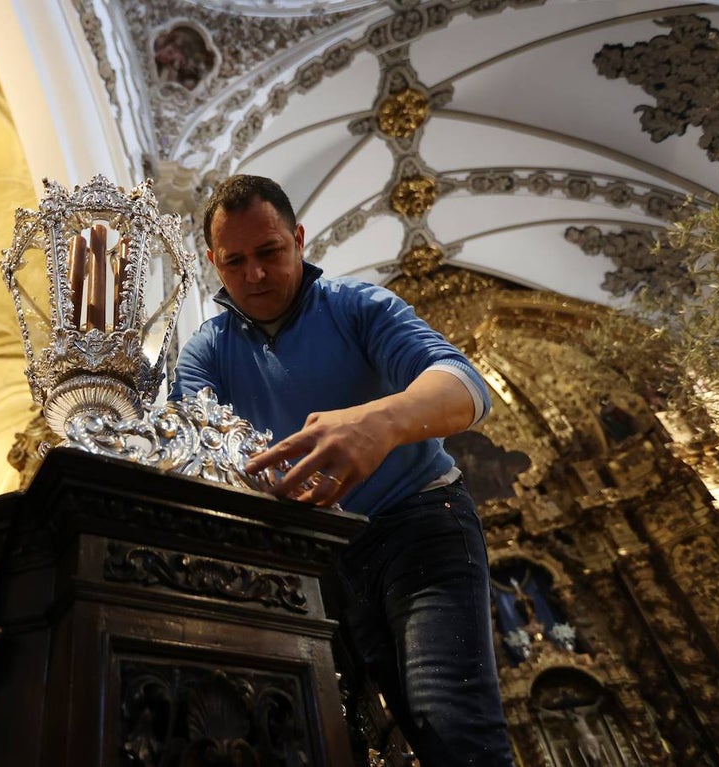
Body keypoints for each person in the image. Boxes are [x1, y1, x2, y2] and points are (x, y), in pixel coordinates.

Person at [169, 174, 514, 766]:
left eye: (270, 252)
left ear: (299, 238)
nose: (254, 274)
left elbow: (465, 388)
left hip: (419, 526)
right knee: (351, 733)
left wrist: (380, 423)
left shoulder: (357, 305)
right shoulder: (207, 349)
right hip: (314, 554)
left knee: (449, 726)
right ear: (212, 263)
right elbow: (192, 446)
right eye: (234, 261)